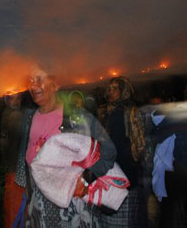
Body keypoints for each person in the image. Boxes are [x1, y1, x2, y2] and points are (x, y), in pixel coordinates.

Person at [15, 67, 117, 228]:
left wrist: (87, 178)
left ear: (55, 84)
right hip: (40, 210)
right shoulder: (29, 119)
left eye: (39, 80)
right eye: (31, 81)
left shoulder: (77, 117)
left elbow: (108, 150)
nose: (33, 86)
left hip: (73, 212)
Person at [100, 76, 145, 227]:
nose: (111, 92)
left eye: (115, 89)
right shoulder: (105, 112)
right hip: (112, 168)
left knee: (125, 215)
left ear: (124, 91)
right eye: (110, 89)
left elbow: (138, 142)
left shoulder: (130, 112)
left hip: (126, 168)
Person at [2, 93, 25, 228]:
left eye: (18, 98)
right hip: (16, 171)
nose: (16, 101)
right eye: (13, 98)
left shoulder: (10, 116)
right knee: (16, 208)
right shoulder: (15, 116)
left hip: (14, 171)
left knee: (13, 208)